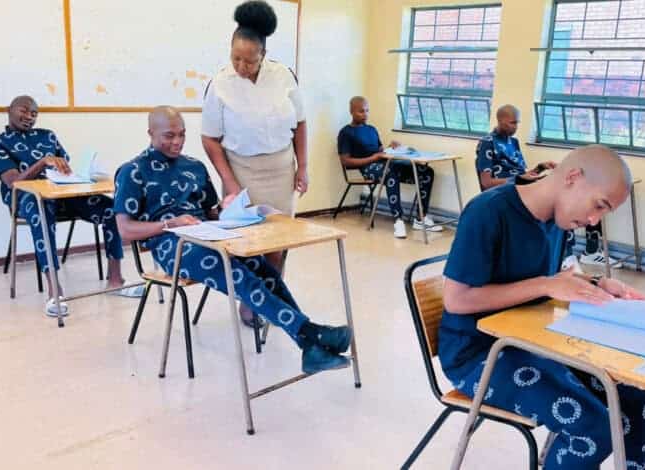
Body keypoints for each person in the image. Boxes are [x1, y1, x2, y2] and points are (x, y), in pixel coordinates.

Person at [440, 144, 645, 469]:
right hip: (478, 355)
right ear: (572, 177)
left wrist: (594, 284)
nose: (593, 220)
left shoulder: (559, 220)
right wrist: (545, 285)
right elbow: (456, 299)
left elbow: (553, 277)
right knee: (593, 428)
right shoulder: (488, 212)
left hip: (533, 340)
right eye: (598, 206)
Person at [114, 106, 351, 374]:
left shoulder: (194, 167)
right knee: (234, 271)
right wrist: (170, 224)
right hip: (173, 245)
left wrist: (230, 209)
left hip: (207, 234)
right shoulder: (133, 171)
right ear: (150, 133)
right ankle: (310, 334)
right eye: (169, 136)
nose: (177, 142)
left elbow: (211, 213)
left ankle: (309, 343)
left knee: (261, 267)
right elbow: (125, 230)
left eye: (182, 134)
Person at [201, 0, 306, 326]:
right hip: (241, 170)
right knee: (247, 243)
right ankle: (249, 303)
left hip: (280, 170)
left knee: (277, 243)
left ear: (264, 54)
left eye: (249, 60)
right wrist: (230, 183)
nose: (241, 66)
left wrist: (303, 166)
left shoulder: (284, 76)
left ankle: (271, 302)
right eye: (236, 58)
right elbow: (210, 139)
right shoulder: (220, 84)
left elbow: (300, 123)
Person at [0, 95, 139, 317]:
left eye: (34, 113)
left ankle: (115, 280)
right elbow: (14, 182)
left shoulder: (47, 136)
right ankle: (55, 291)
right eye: (24, 110)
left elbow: (63, 167)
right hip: (26, 199)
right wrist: (42, 163)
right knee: (42, 208)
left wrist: (83, 175)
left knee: (111, 210)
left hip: (61, 194)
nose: (29, 117)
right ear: (9, 110)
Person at [476, 104, 617, 268]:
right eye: (512, 123)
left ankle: (588, 251)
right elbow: (487, 183)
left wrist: (540, 167)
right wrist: (519, 178)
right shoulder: (487, 143)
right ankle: (566, 256)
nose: (515, 127)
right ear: (500, 120)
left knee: (581, 192)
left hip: (523, 186)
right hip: (508, 193)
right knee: (560, 202)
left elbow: (524, 174)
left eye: (517, 123)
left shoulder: (513, 142)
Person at [337, 96, 441, 238]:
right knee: (390, 173)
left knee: (426, 171)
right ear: (351, 111)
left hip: (384, 163)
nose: (365, 114)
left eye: (367, 111)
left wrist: (391, 148)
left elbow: (380, 151)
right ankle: (398, 220)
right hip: (368, 168)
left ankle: (421, 218)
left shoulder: (371, 129)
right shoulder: (346, 133)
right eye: (361, 111)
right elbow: (346, 161)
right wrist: (373, 158)